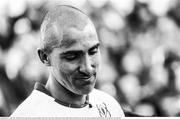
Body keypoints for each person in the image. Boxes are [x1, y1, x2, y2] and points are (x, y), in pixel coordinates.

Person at [11, 5, 125, 117]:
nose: (87, 68)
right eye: (72, 57)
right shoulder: (28, 115)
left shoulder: (109, 106)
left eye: (93, 51)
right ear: (45, 57)